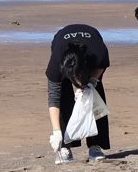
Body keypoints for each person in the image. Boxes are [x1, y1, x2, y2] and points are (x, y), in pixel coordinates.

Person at [46, 24, 111, 164]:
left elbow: (102, 66)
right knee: (64, 97)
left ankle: (95, 145)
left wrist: (92, 81)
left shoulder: (98, 54)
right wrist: (56, 131)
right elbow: (53, 98)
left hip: (91, 42)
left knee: (94, 95)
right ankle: (65, 147)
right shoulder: (55, 66)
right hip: (60, 41)